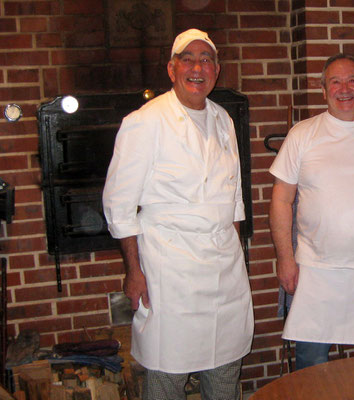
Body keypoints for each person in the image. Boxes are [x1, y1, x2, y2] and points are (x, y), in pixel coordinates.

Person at [102, 29, 253, 400]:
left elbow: (233, 198)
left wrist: (235, 254)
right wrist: (133, 272)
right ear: (172, 69)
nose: (197, 67)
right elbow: (118, 204)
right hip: (170, 270)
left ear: (217, 71)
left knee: (224, 367)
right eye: (188, 59)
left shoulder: (223, 120)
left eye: (206, 60)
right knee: (167, 371)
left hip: (223, 269)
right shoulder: (146, 121)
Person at [269, 53, 354, 370]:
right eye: (335, 81)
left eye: (352, 80)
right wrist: (285, 259)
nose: (344, 89)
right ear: (323, 89)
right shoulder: (302, 134)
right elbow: (280, 200)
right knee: (311, 364)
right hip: (315, 269)